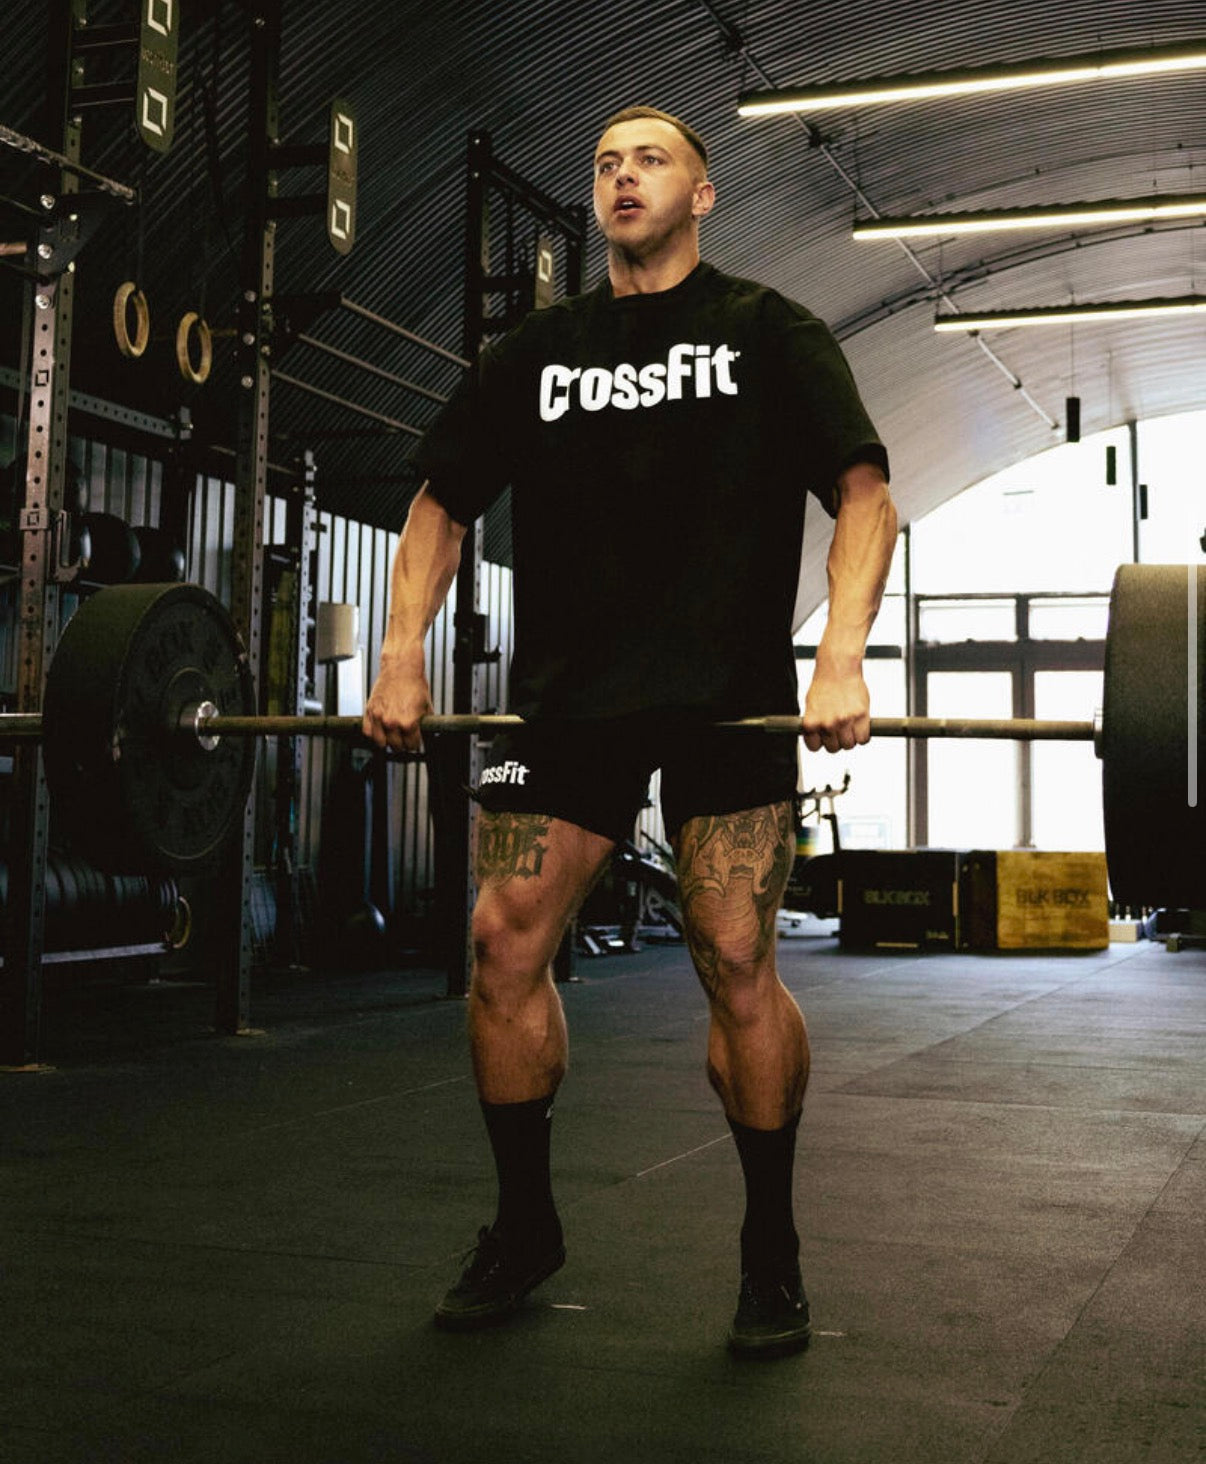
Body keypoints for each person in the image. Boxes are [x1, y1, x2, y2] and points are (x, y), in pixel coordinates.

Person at [363, 105, 897, 1356]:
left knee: (736, 953)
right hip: (562, 704)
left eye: (650, 160)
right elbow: (440, 503)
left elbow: (865, 496)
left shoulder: (770, 331)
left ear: (702, 195)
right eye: (605, 162)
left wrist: (839, 657)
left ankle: (771, 1248)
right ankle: (524, 1227)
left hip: (728, 697)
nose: (622, 176)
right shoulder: (537, 353)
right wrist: (398, 656)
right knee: (500, 939)